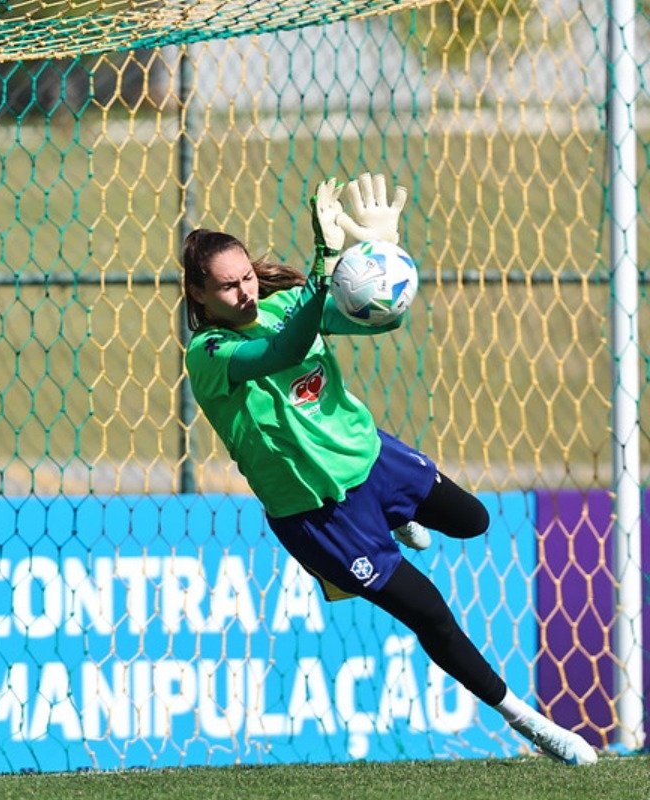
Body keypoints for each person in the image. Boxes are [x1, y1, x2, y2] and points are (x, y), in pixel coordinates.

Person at [179, 173, 598, 766]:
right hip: (317, 513)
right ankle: (528, 723)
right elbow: (280, 354)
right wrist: (325, 263)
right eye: (227, 287)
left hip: (372, 458)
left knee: (472, 520)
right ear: (198, 295)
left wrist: (381, 260)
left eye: (247, 276)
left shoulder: (284, 304)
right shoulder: (209, 353)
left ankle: (395, 515)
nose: (245, 292)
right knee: (429, 612)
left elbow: (381, 318)